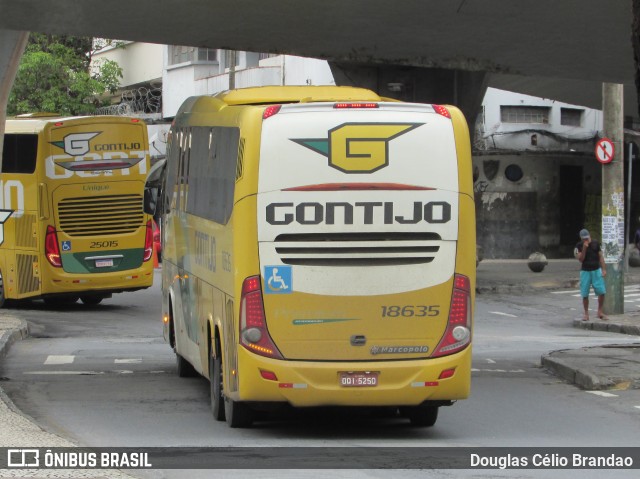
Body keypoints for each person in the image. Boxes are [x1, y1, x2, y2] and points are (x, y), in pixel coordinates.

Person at [575, 229, 607, 321]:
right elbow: (581, 259)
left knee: (601, 291)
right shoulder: (579, 246)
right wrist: (584, 248)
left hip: (596, 270)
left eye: (587, 238)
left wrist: (604, 269)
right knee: (585, 294)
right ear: (581, 238)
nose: (586, 240)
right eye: (584, 239)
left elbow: (600, 256)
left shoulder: (596, 243)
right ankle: (586, 313)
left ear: (590, 236)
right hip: (585, 271)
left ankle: (600, 311)